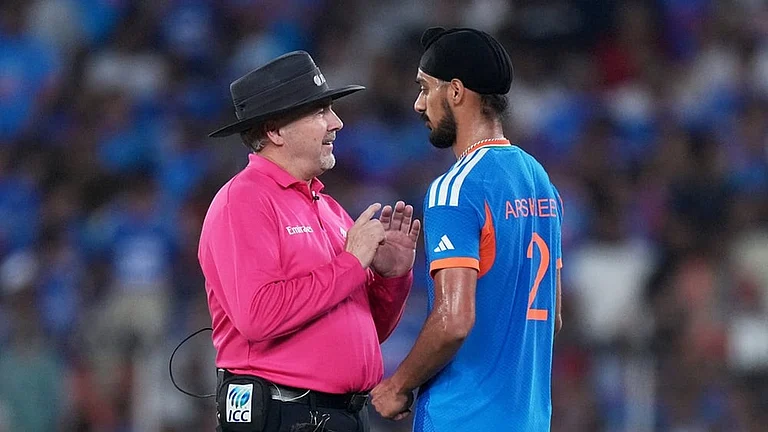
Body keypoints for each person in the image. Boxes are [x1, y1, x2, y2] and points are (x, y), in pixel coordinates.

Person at [199, 51, 421, 432]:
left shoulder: (330, 209)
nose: (336, 122)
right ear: (274, 131)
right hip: (284, 415)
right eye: (320, 112)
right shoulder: (245, 200)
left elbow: (364, 329)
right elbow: (259, 316)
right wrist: (351, 263)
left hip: (342, 416)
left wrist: (391, 279)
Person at [370, 27, 563, 431]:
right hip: (529, 419)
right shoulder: (540, 180)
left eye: (426, 88)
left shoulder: (454, 190)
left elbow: (454, 319)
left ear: (456, 92)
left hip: (463, 418)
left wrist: (398, 385)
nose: (418, 103)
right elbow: (554, 316)